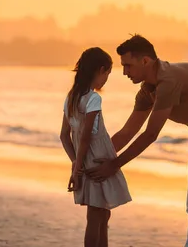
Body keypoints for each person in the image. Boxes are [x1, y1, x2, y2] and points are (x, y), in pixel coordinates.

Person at [86, 35, 188, 247]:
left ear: (145, 61)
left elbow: (150, 134)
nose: (125, 72)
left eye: (128, 65)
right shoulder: (147, 90)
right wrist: (95, 159)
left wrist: (114, 164)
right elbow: (128, 132)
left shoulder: (169, 80)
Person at [59, 47, 132, 247]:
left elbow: (65, 135)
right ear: (100, 70)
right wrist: (78, 167)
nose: (107, 78)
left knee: (102, 213)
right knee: (95, 215)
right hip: (98, 161)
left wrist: (76, 163)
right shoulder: (93, 98)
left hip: (84, 161)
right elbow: (84, 137)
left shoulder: (71, 97)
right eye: (108, 73)